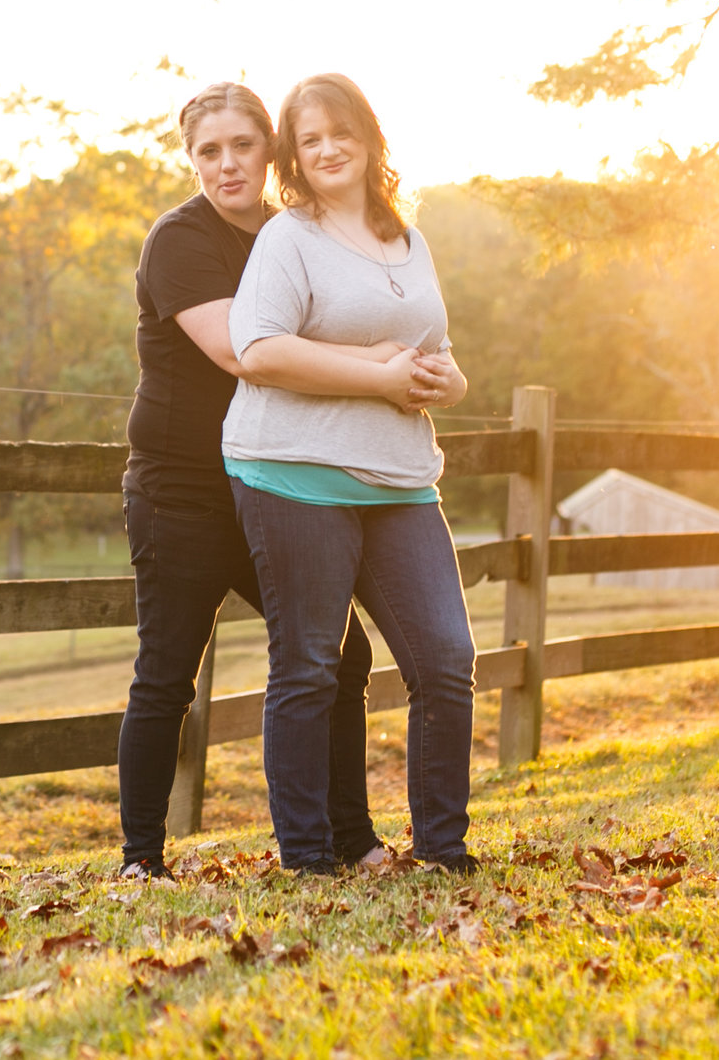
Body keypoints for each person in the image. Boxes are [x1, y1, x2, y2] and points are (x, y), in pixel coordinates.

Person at [116, 82, 389, 879]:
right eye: (209, 151)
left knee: (341, 655)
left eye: (242, 146)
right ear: (190, 158)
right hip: (185, 492)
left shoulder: (290, 234)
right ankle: (142, 858)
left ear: (269, 150)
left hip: (272, 482)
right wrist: (375, 369)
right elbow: (245, 351)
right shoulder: (179, 240)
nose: (227, 164)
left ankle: (352, 838)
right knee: (169, 670)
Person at [223, 73, 475, 874]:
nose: (328, 148)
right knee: (308, 663)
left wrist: (451, 384)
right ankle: (308, 856)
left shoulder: (409, 236)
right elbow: (260, 349)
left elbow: (435, 350)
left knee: (445, 658)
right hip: (293, 472)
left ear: (369, 138)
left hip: (400, 477)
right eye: (310, 139)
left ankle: (441, 850)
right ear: (295, 157)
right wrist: (379, 377)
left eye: (342, 132)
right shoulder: (289, 238)